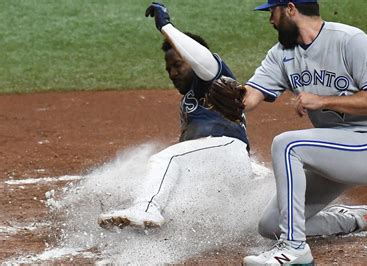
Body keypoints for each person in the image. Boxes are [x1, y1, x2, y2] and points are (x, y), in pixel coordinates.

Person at [242, 0, 367, 264]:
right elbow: (249, 98)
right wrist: (225, 93)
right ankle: (346, 219)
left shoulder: (350, 40)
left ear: (290, 9)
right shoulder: (281, 54)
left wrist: (324, 101)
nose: (271, 20)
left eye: (273, 11)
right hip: (331, 152)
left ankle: (294, 248)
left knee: (287, 144)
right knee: (269, 225)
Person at [97, 2, 252, 230]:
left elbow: (204, 60)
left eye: (178, 65)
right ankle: (146, 221)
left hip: (226, 149)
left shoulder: (213, 77)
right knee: (175, 193)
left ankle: (146, 207)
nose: (172, 73)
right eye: (168, 69)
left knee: (164, 159)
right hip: (218, 166)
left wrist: (166, 26)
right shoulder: (189, 100)